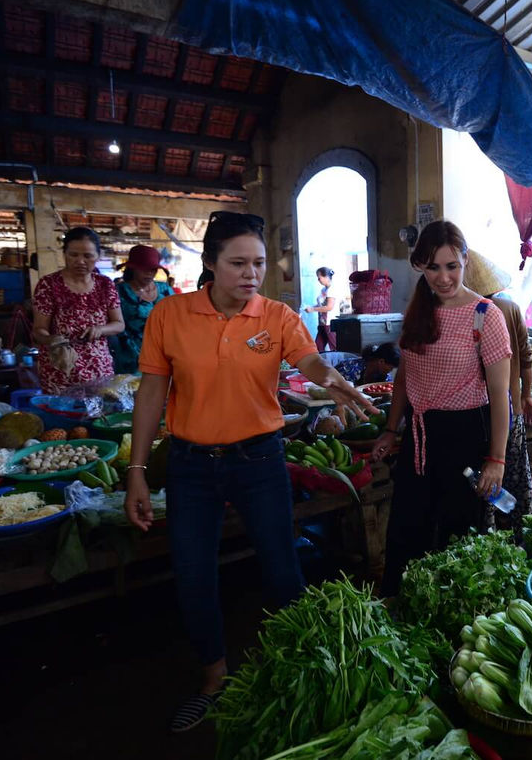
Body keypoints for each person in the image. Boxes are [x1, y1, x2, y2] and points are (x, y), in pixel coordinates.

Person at [123, 211, 374, 732]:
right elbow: (151, 392)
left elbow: (309, 361)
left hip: (259, 459)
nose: (250, 274)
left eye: (258, 263)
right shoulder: (169, 315)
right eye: (237, 263)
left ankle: (299, 670)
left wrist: (330, 379)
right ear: (209, 263)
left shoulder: (276, 316)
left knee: (283, 567)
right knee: (193, 573)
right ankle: (214, 678)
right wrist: (138, 470)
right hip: (192, 466)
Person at [372, 221, 512, 596]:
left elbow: (501, 395)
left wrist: (496, 460)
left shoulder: (486, 315)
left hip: (465, 436)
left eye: (452, 265)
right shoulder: (418, 310)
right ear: (421, 266)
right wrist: (390, 428)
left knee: (457, 534)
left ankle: (455, 622)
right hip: (419, 438)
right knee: (407, 529)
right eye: (434, 267)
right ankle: (403, 611)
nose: (444, 277)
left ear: (466, 261)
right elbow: (404, 376)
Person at [463, 249, 532, 534]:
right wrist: (527, 395)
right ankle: (526, 533)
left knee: (488, 480)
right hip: (512, 410)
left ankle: (490, 539)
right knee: (516, 475)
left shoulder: (471, 313)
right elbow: (527, 357)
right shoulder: (511, 308)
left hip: (484, 414)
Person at [32, 227, 125, 394]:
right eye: (73, 255)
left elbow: (119, 324)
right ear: (64, 254)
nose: (80, 261)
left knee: (99, 415)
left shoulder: (105, 285)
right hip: (60, 367)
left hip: (98, 367)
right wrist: (51, 339)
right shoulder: (48, 284)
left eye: (88, 256)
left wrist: (100, 329)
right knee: (62, 416)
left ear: (97, 256)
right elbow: (38, 330)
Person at [110, 245, 174, 374]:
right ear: (133, 268)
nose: (149, 273)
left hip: (165, 355)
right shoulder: (119, 291)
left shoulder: (165, 289)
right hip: (131, 358)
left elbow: (178, 319)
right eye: (144, 269)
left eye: (153, 269)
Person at [303, 266, 337, 352]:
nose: (318, 280)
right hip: (322, 323)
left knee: (334, 347)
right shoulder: (324, 290)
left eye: (319, 277)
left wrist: (313, 309)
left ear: (326, 277)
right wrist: (311, 307)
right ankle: (320, 364)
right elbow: (321, 304)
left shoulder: (332, 289)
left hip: (329, 323)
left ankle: (338, 364)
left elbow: (329, 307)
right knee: (318, 347)